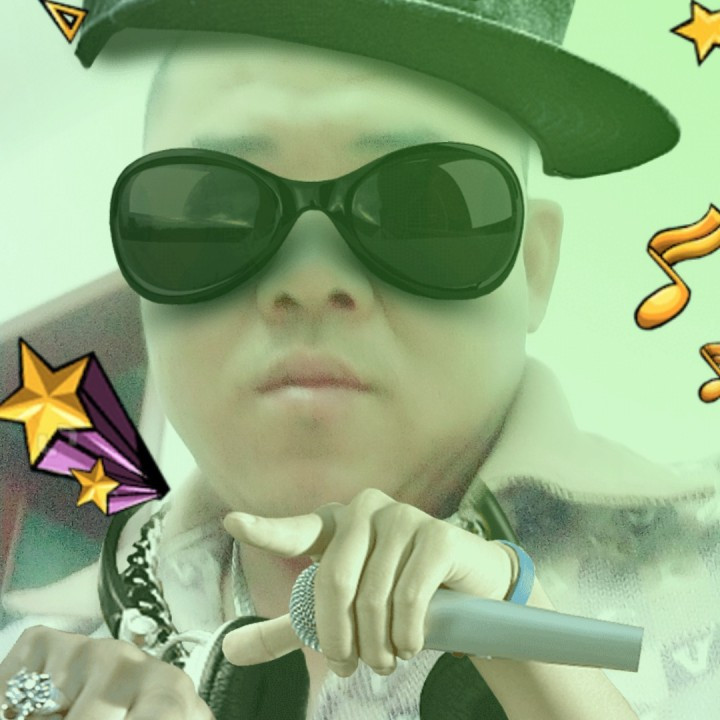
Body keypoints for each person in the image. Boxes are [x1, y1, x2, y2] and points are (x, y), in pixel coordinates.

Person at [1, 0, 719, 718]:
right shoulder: (44, 652)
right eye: (212, 214)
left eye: (421, 209)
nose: (309, 277)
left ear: (533, 268)